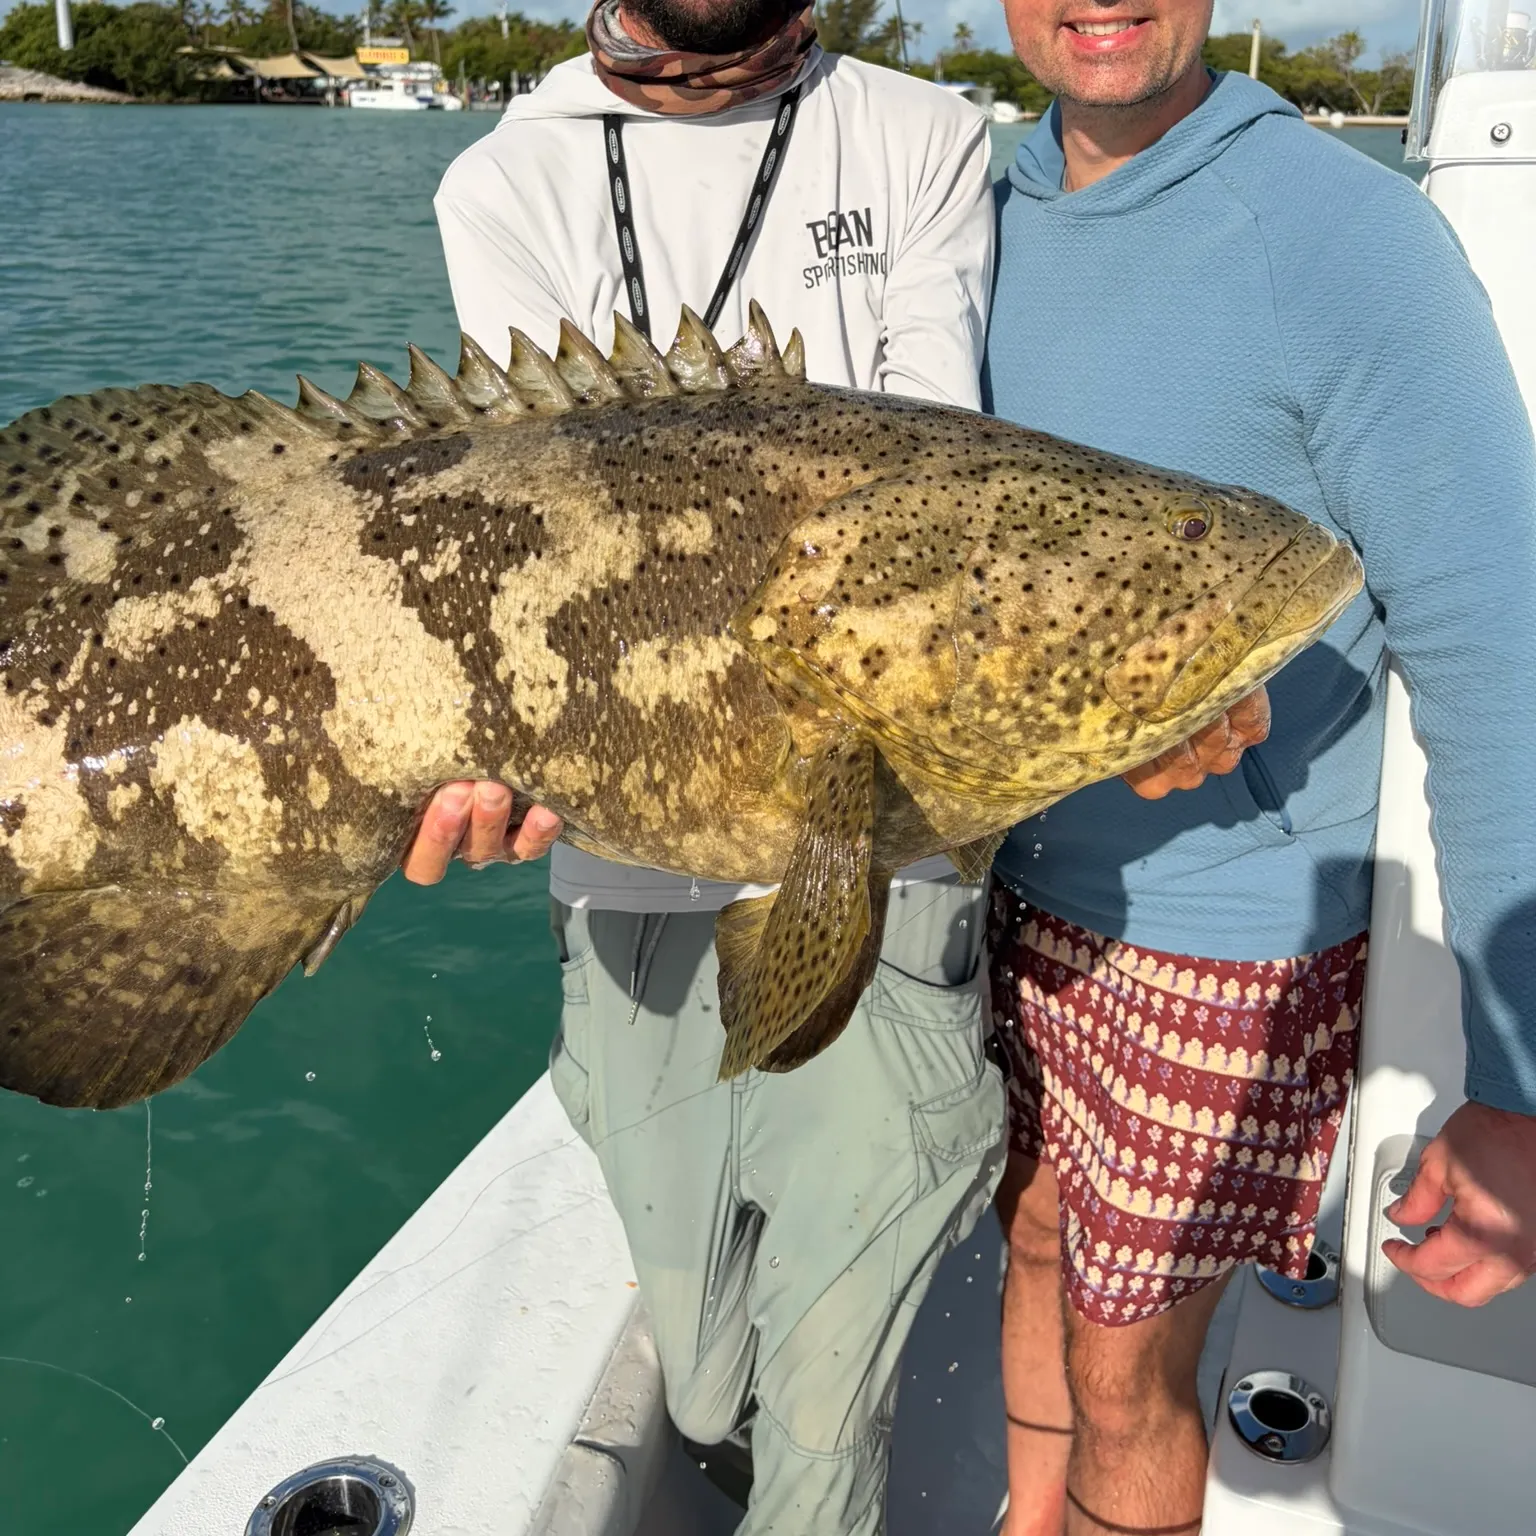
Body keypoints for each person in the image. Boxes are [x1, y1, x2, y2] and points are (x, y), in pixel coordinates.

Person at [404, 7, 1007, 1532]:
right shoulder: (507, 181)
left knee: (826, 1399)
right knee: (696, 1377)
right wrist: (466, 757)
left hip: (878, 851)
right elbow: (530, 526)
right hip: (622, 865)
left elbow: (936, 480)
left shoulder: (921, 136)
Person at [982, 3, 1536, 1534]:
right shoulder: (974, 217)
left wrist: (1523, 1086)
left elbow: (1500, 645)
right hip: (1006, 899)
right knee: (1033, 1243)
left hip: (1229, 940)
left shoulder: (1348, 238)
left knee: (1130, 1370)